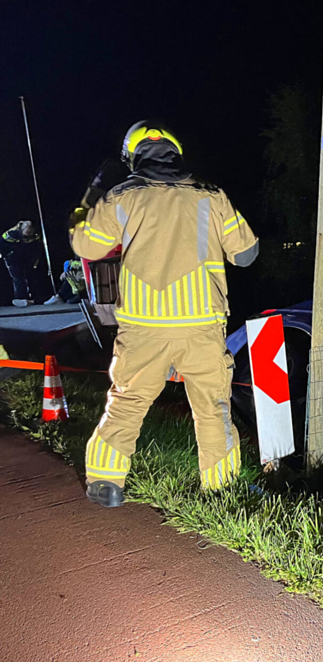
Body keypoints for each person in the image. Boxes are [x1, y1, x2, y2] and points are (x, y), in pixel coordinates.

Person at [70, 121, 259, 508]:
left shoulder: (120, 196)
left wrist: (87, 200)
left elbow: (86, 247)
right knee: (213, 407)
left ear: (132, 156)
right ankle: (221, 489)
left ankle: (106, 479)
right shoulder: (212, 195)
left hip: (144, 326)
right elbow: (247, 254)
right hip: (201, 322)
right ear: (176, 152)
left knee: (127, 401)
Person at [1, 220, 51, 307]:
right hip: (13, 259)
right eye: (27, 231)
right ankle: (20, 298)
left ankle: (34, 297)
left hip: (27, 259)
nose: (29, 233)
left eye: (30, 231)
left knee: (31, 277)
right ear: (21, 229)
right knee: (18, 279)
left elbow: (37, 248)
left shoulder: (34, 236)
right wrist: (6, 255)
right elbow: (1, 244)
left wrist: (35, 260)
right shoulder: (11, 234)